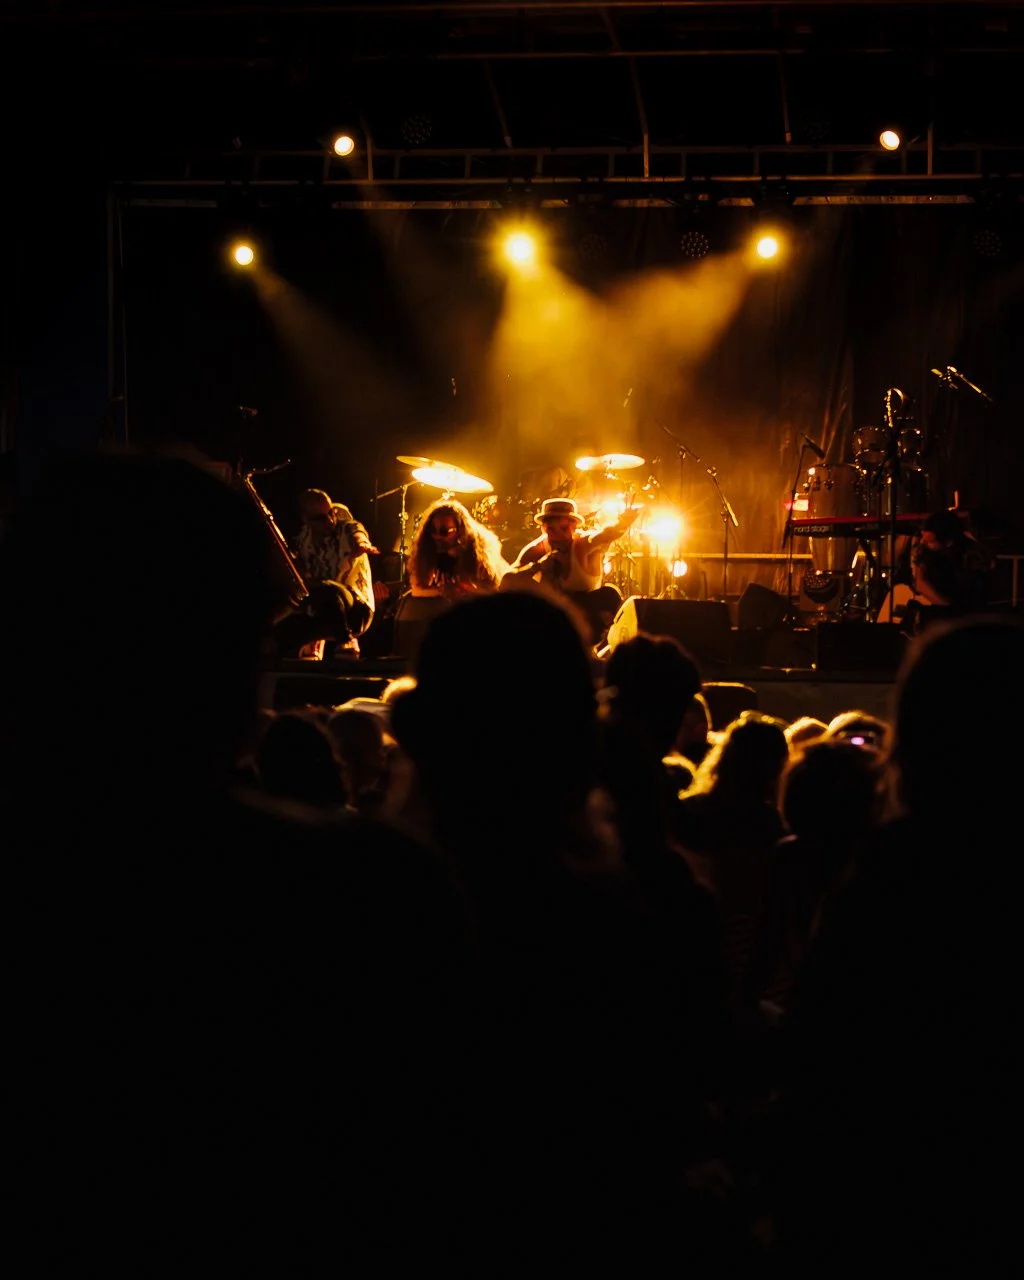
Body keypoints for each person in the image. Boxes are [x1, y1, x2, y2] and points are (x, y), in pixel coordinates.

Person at [500, 496, 639, 645]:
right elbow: (506, 580)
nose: (557, 535)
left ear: (574, 528)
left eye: (564, 529)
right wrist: (538, 566)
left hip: (586, 616)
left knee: (609, 594)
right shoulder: (537, 550)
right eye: (551, 529)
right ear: (543, 528)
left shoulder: (583, 545)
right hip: (553, 617)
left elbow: (604, 536)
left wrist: (622, 524)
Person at [273, 487, 378, 659]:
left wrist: (362, 544)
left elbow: (357, 533)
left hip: (355, 611)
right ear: (306, 519)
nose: (330, 520)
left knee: (328, 589)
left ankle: (345, 639)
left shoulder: (346, 528)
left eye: (331, 513)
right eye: (320, 518)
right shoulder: (302, 541)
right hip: (322, 610)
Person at [407, 497, 509, 601]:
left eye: (444, 531)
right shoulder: (427, 549)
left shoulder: (482, 553)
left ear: (460, 532)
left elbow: (497, 595)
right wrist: (441, 592)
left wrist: (462, 590)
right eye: (433, 530)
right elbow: (416, 590)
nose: (437, 536)